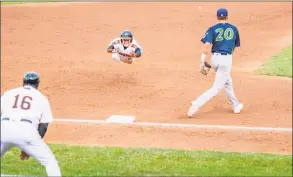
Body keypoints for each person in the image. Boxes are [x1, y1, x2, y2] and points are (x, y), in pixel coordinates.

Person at [1, 71, 62, 176]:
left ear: (23, 82)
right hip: (26, 131)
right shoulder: (41, 97)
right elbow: (43, 126)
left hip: (4, 128)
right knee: (50, 162)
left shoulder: (9, 93)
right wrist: (28, 148)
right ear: (37, 84)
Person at [188, 8, 243, 118]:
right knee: (216, 88)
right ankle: (196, 103)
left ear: (217, 17)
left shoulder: (212, 29)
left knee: (227, 82)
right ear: (227, 17)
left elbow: (206, 45)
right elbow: (234, 47)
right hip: (226, 60)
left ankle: (236, 105)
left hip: (215, 59)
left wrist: (202, 61)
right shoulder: (234, 29)